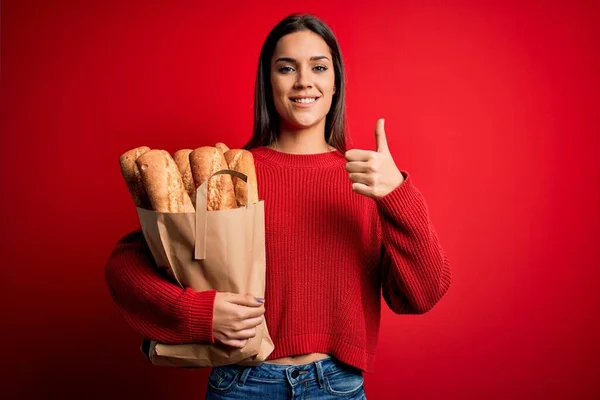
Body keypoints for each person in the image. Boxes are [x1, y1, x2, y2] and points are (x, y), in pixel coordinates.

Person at [105, 13, 452, 400]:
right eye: (286, 68)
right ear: (268, 83)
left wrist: (398, 193)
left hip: (337, 387)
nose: (304, 80)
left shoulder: (369, 179)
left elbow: (423, 293)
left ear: (335, 82)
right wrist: (198, 314)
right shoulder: (232, 176)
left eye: (319, 67)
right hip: (243, 385)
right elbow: (126, 264)